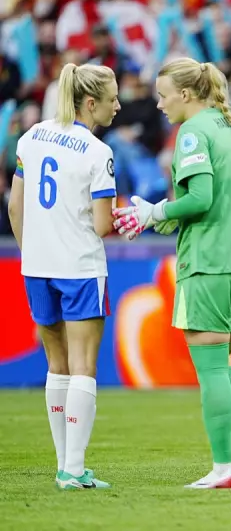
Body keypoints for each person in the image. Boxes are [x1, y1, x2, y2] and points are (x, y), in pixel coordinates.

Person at [112, 58, 231, 489]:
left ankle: (222, 471)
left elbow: (200, 198)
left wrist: (156, 211)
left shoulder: (192, 132)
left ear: (185, 94)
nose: (159, 104)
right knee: (219, 364)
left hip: (208, 265)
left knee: (211, 371)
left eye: (163, 96)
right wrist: (162, 217)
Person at [8, 63, 120, 489]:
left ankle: (64, 465)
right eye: (112, 99)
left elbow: (15, 207)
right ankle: (73, 469)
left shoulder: (31, 137)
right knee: (83, 367)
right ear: (90, 103)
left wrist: (33, 252)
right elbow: (102, 225)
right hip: (80, 268)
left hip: (37, 267)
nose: (118, 106)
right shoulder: (97, 152)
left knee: (56, 366)